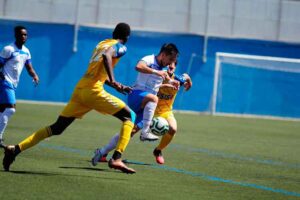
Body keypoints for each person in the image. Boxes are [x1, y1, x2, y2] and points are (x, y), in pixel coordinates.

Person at [2, 22, 137, 174]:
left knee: (57, 128)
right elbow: (107, 56)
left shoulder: (102, 44)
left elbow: (99, 71)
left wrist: (117, 84)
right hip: (93, 91)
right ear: (127, 37)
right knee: (130, 116)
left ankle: (15, 150)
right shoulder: (120, 46)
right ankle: (117, 158)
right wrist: (113, 80)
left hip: (81, 90)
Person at [91, 44, 180, 166]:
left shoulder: (164, 69)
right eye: (170, 60)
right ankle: (145, 132)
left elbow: (155, 84)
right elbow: (138, 66)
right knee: (154, 98)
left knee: (129, 132)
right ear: (163, 54)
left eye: (173, 61)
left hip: (146, 105)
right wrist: (155, 71)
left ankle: (101, 152)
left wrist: (170, 81)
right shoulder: (150, 59)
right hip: (137, 95)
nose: (170, 63)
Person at [0, 26, 39, 148]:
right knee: (11, 108)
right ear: (16, 35)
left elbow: (29, 67)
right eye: (21, 34)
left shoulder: (26, 51)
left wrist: (34, 75)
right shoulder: (8, 49)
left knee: (2, 110)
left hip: (13, 84)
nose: (24, 37)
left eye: (25, 35)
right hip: (5, 82)